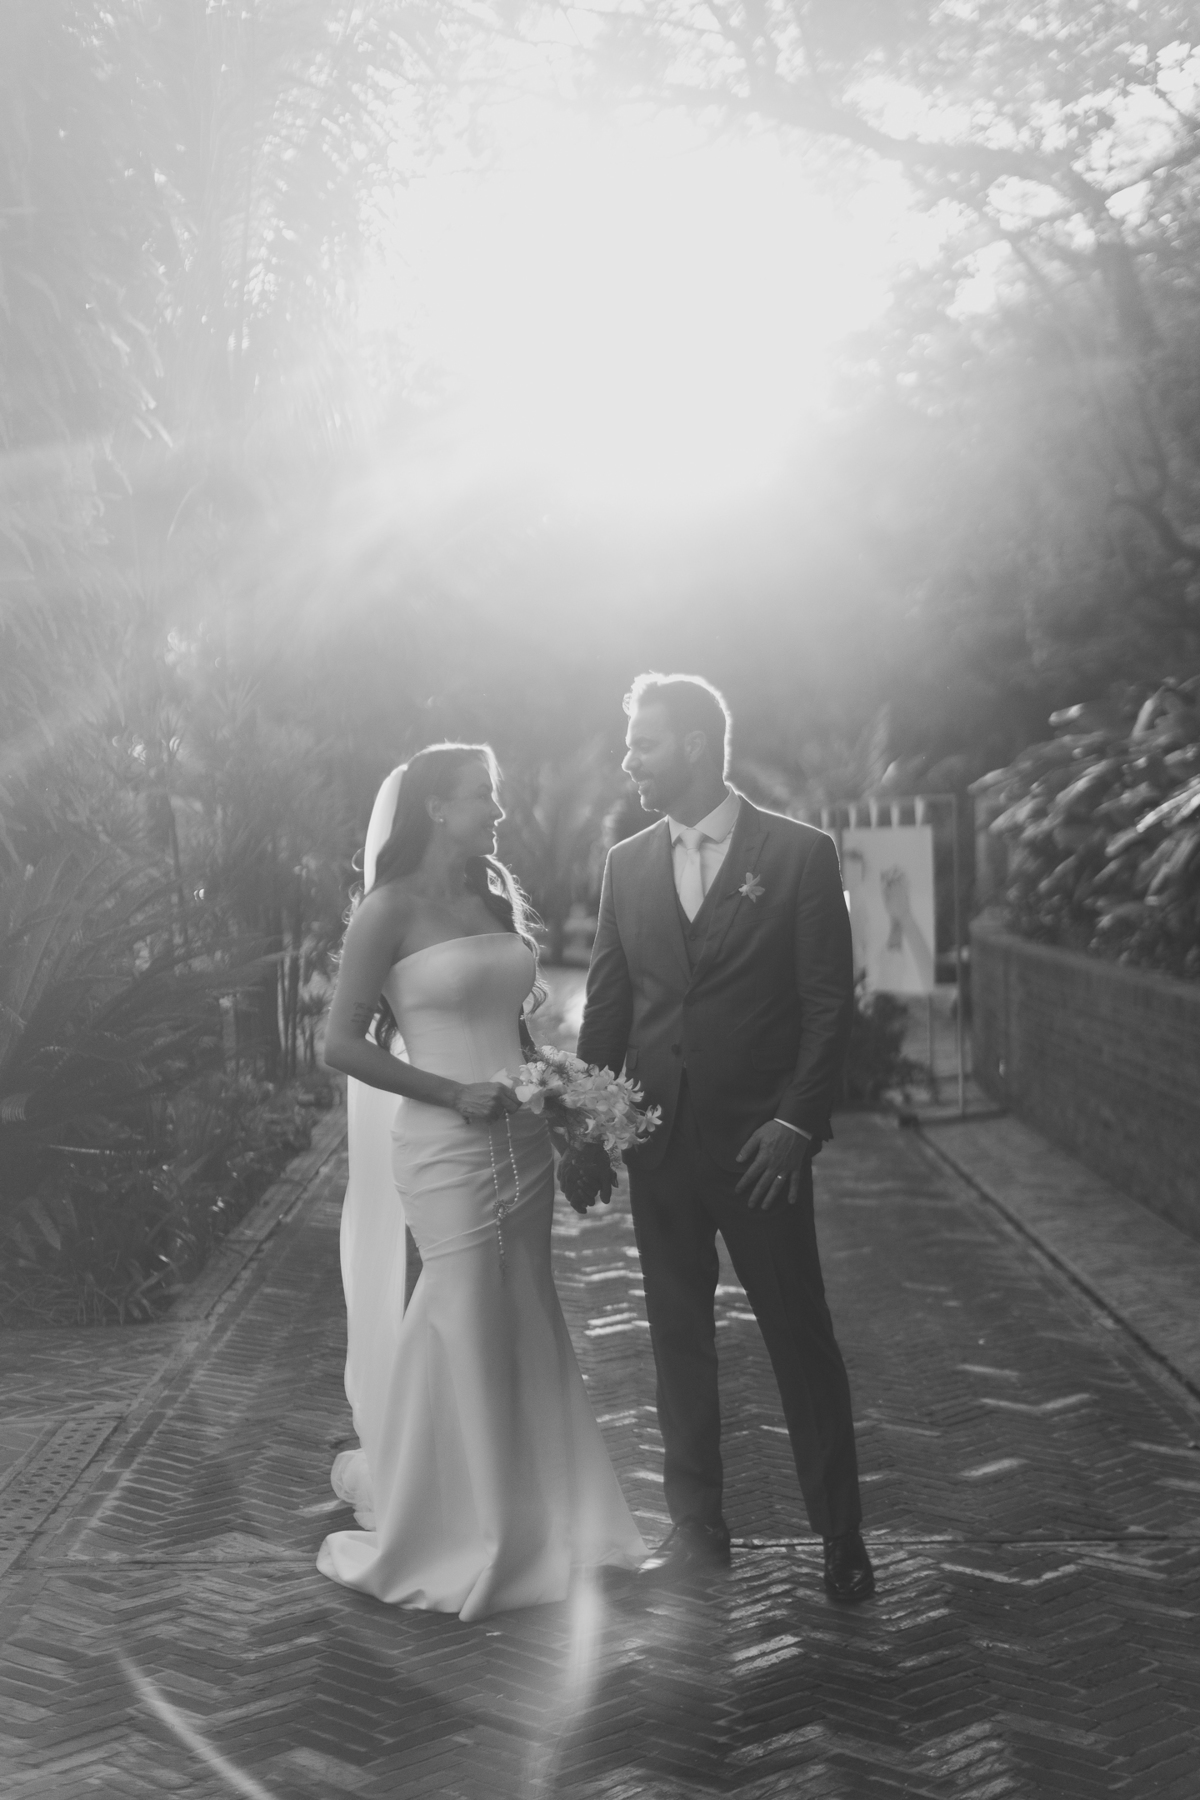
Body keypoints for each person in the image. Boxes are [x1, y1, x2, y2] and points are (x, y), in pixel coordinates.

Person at [317, 743, 645, 1621]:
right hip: (443, 1141)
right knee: (459, 1304)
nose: (496, 812)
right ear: (434, 806)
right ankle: (463, 1526)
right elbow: (339, 1044)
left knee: (528, 1306)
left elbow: (513, 1032)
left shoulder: (493, 898)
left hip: (523, 1138)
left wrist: (562, 1104)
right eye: (480, 797)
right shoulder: (386, 911)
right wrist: (449, 1092)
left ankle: (550, 1517)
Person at [576, 674, 874, 1604]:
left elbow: (829, 1007)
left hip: (761, 1154)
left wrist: (796, 1123)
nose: (630, 760)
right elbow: (609, 1007)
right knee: (677, 1340)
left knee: (799, 1335)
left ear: (697, 746)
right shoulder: (626, 864)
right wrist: (587, 1129)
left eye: (645, 743)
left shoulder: (798, 855)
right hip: (659, 1146)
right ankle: (698, 1527)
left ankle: (841, 1534)